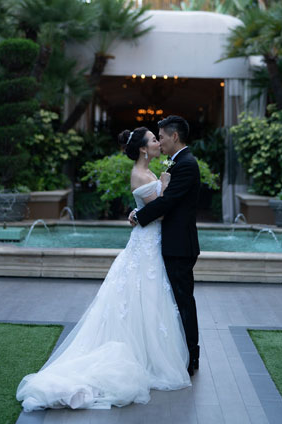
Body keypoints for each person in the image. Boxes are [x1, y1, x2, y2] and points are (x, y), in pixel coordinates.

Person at [16, 127, 190, 412]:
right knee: (140, 295)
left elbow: (148, 208)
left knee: (149, 297)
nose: (159, 143)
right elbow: (158, 209)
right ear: (144, 149)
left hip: (150, 242)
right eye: (154, 140)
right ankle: (141, 357)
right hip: (145, 245)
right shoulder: (140, 174)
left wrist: (148, 199)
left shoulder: (149, 173)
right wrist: (165, 186)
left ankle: (148, 350)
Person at [129, 115, 201, 376]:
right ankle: (180, 353)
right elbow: (156, 198)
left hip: (180, 245)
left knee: (183, 301)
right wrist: (137, 210)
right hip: (172, 243)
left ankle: (191, 356)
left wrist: (138, 216)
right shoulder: (179, 163)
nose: (159, 141)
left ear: (174, 136)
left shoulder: (186, 165)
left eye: (161, 137)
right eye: (155, 138)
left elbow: (167, 202)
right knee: (175, 301)